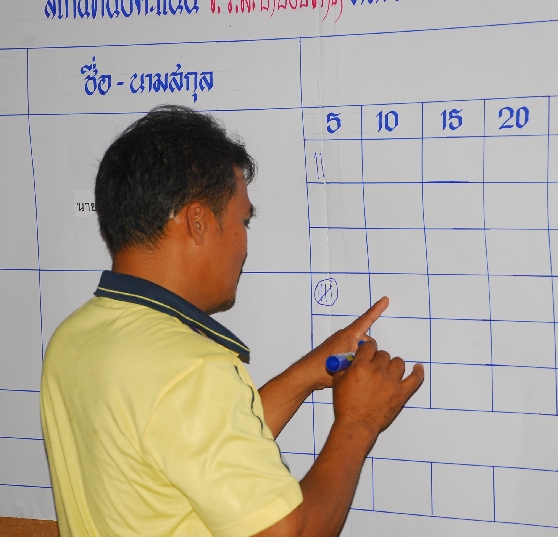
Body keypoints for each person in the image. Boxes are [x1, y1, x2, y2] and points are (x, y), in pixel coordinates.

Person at [40, 105, 424, 537]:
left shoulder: (73, 338)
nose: (244, 244)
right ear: (198, 222)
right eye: (243, 221)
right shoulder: (192, 369)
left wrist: (308, 373)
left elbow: (196, 442)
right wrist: (358, 423)